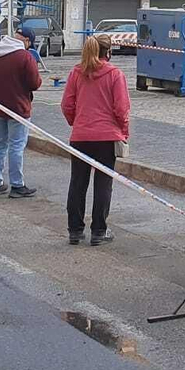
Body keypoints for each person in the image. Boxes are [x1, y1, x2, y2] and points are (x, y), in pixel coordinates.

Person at [60, 35, 130, 246]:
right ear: (108, 52)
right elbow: (122, 109)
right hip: (106, 137)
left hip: (81, 136)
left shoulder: (76, 73)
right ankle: (99, 231)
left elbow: (66, 104)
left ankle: (75, 230)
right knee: (103, 184)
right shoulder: (115, 74)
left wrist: (77, 122)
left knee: (78, 183)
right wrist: (123, 132)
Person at [0, 27, 42, 198]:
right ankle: (17, 185)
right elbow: (35, 83)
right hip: (18, 107)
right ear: (26, 41)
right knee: (16, 145)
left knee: (0, 143)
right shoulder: (25, 57)